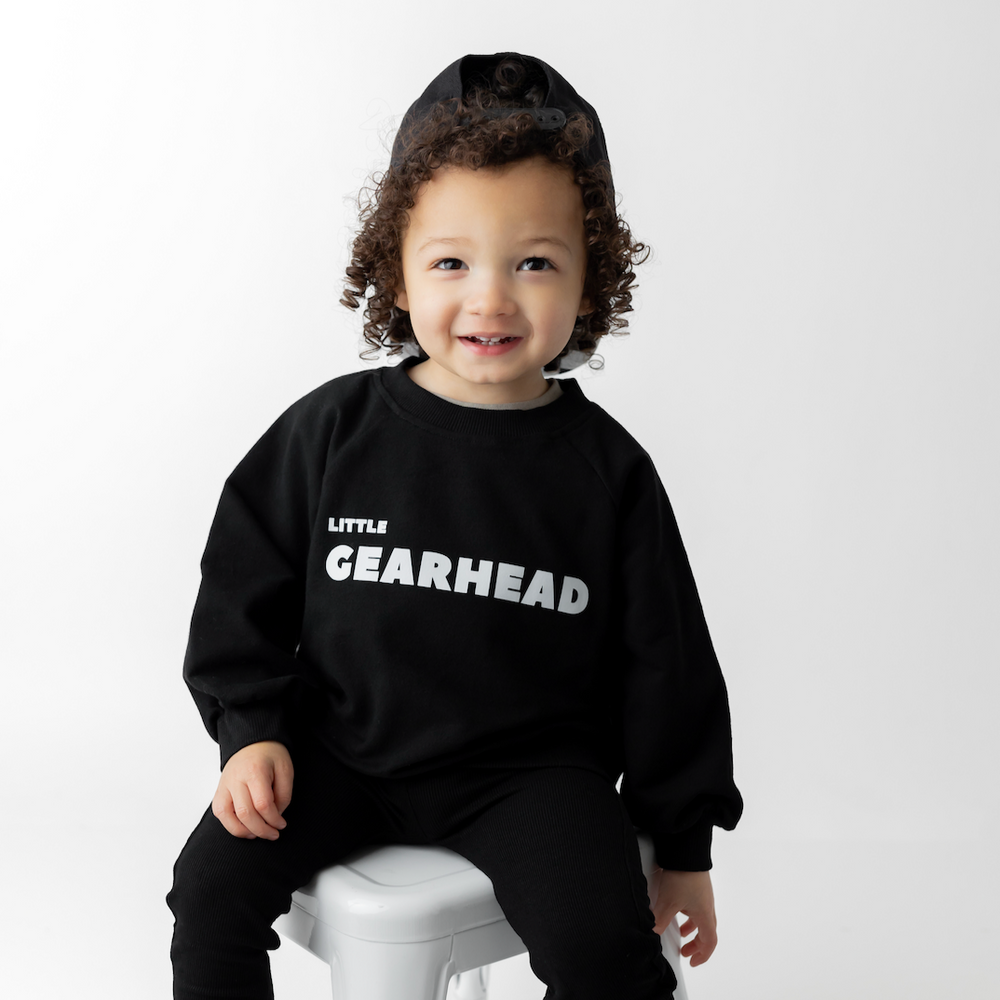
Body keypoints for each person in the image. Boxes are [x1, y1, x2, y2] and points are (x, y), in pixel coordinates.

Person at [167, 52, 742, 1000]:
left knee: (606, 952)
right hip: (339, 752)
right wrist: (252, 731)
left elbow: (668, 667)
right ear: (395, 267)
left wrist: (682, 845)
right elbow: (242, 584)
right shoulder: (332, 433)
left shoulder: (608, 472)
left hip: (531, 777)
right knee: (209, 896)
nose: (490, 297)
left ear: (590, 278)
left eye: (535, 263)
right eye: (451, 261)